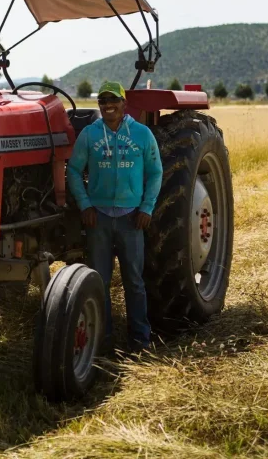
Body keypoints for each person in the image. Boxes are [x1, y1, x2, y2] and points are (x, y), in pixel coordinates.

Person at [67, 80, 163, 353]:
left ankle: (140, 340)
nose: (108, 106)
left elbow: (155, 173)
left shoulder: (143, 135)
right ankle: (103, 340)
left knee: (134, 280)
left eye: (113, 100)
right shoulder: (89, 134)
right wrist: (85, 204)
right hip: (98, 219)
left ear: (124, 104)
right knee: (100, 281)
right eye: (102, 101)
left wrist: (146, 208)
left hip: (132, 219)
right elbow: (74, 170)